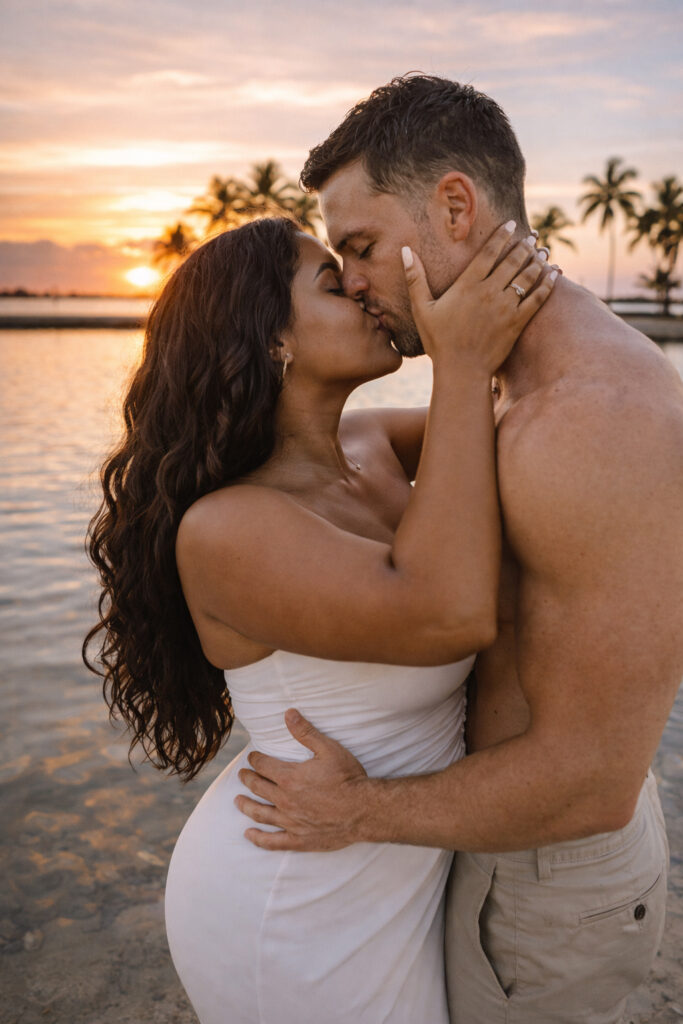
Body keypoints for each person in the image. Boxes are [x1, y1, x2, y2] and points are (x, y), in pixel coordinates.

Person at [236, 75, 683, 1023]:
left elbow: (593, 778)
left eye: (357, 247)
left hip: (545, 873)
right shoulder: (500, 385)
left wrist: (359, 814)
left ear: (452, 205)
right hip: (502, 837)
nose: (349, 280)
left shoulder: (590, 421)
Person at [83, 214, 553, 1023]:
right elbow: (450, 612)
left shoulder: (372, 447)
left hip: (381, 863)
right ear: (273, 342)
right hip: (294, 900)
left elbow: (531, 436)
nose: (366, 294)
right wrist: (460, 356)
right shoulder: (227, 527)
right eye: (335, 285)